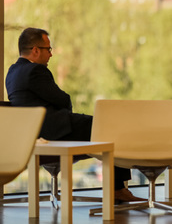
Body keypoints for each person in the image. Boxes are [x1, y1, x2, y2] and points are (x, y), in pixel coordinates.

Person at [5, 27, 144, 203]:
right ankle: (117, 189)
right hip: (54, 131)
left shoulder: (12, 73)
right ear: (35, 50)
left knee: (102, 126)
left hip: (31, 135)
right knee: (110, 127)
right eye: (48, 49)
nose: (51, 54)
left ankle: (118, 189)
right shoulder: (36, 71)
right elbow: (63, 100)